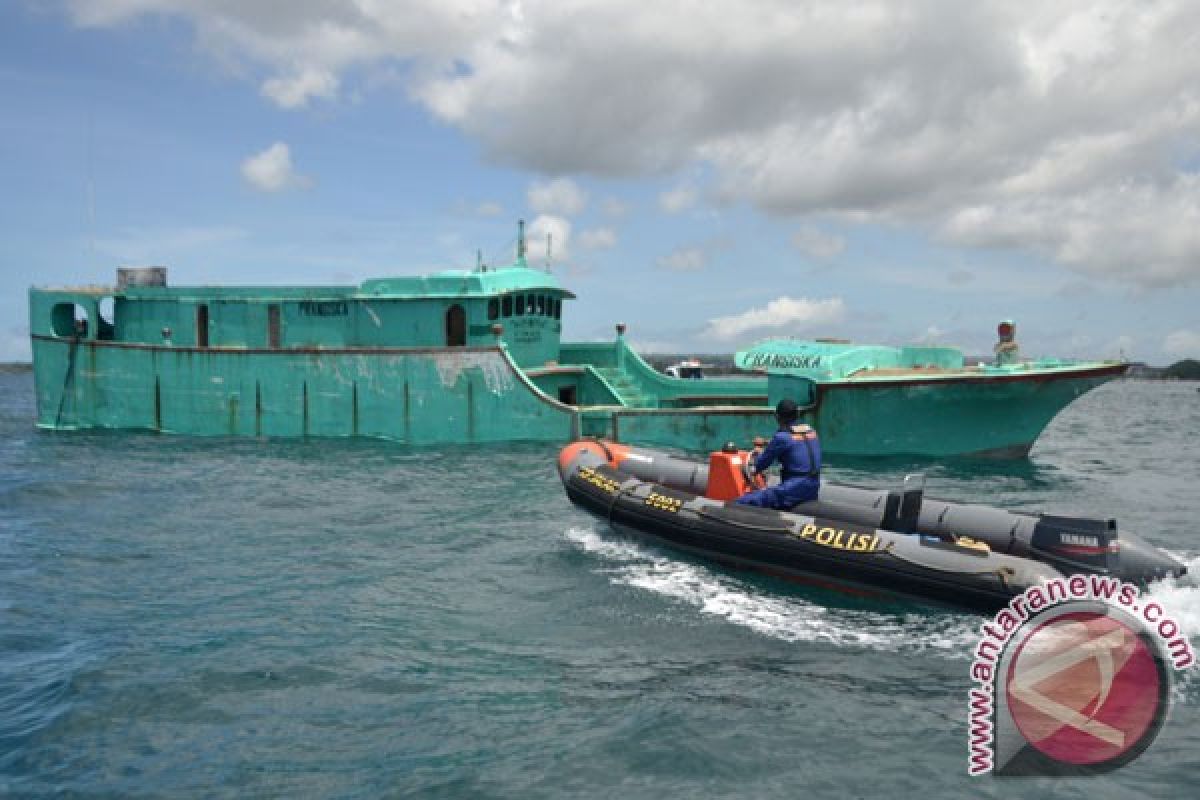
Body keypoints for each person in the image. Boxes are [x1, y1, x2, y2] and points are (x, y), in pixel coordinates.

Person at [734, 398, 821, 509]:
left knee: (740, 502)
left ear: (777, 417)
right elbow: (793, 441)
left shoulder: (781, 438)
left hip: (793, 490)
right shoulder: (811, 432)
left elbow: (759, 465)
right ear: (797, 414)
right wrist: (766, 442)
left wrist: (758, 453)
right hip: (813, 487)